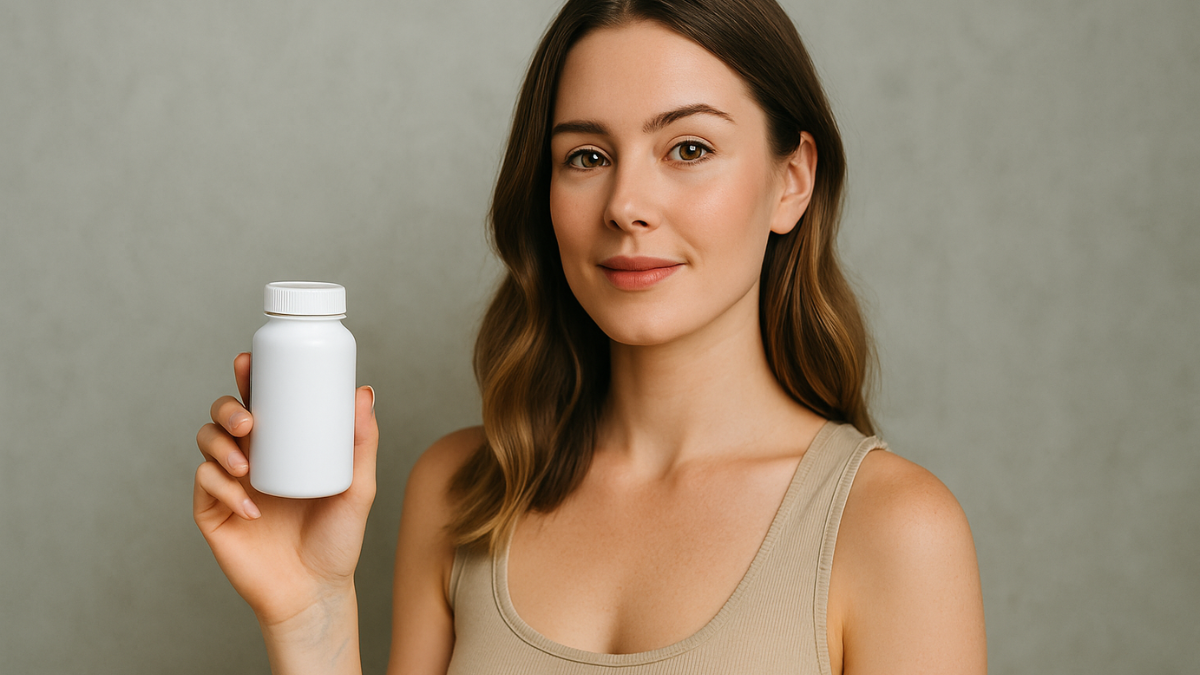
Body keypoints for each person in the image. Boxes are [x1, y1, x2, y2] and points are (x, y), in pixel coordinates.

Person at [193, 0, 987, 672]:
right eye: (587, 155)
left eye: (689, 148)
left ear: (792, 180)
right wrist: (311, 613)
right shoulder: (462, 490)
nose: (625, 204)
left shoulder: (896, 531)